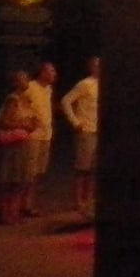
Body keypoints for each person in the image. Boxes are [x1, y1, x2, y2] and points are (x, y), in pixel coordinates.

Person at [0, 67, 39, 226]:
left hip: (21, 144)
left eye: (26, 77)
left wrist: (31, 124)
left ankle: (13, 213)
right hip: (12, 147)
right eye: (22, 78)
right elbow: (5, 121)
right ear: (16, 83)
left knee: (18, 181)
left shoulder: (25, 99)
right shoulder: (13, 99)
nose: (26, 81)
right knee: (10, 181)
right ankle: (5, 214)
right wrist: (24, 125)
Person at [61, 55, 101, 218]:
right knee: (83, 168)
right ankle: (79, 201)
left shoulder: (104, 84)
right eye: (96, 65)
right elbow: (66, 100)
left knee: (93, 168)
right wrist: (75, 122)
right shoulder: (85, 84)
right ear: (91, 68)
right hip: (86, 130)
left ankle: (89, 200)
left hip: (99, 130)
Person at [23, 59, 57, 217]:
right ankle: (23, 204)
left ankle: (30, 203)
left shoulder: (48, 89)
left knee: (38, 173)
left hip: (45, 135)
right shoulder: (30, 87)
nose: (54, 74)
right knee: (29, 172)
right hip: (33, 135)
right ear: (42, 72)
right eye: (50, 71)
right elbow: (20, 106)